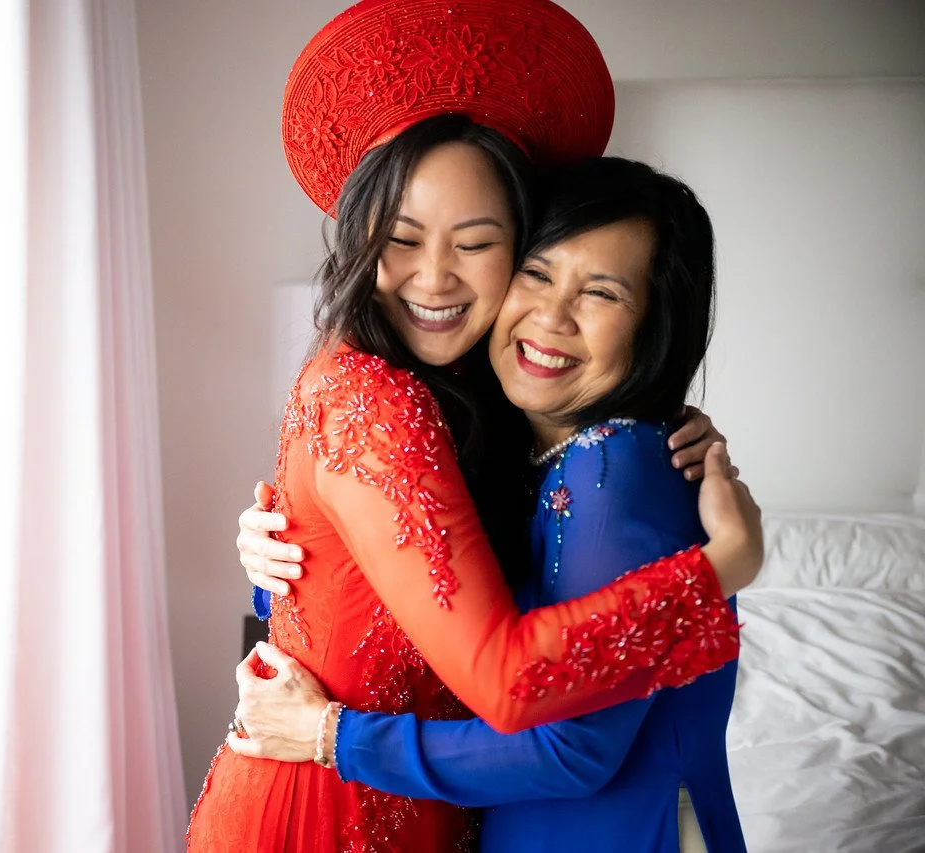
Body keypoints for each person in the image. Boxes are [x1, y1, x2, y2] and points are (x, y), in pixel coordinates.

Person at [184, 1, 761, 850]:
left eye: (480, 243)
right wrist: (722, 570)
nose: (435, 278)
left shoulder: (497, 408)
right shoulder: (375, 398)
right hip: (330, 815)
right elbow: (479, 662)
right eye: (403, 237)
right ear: (359, 237)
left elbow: (427, 590)